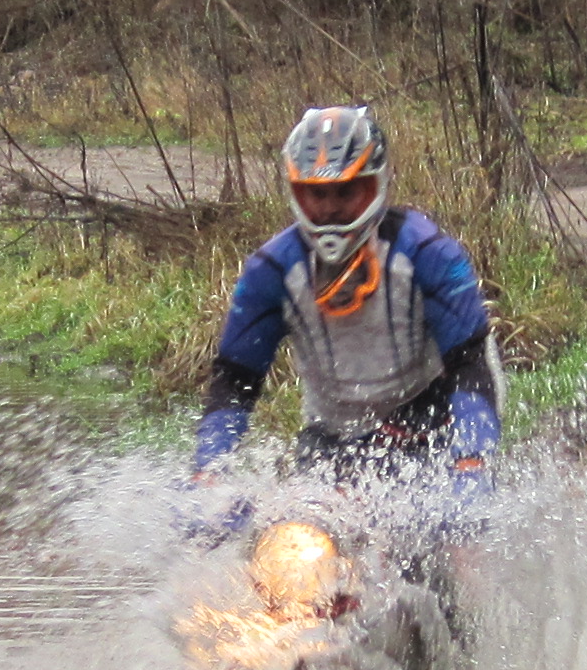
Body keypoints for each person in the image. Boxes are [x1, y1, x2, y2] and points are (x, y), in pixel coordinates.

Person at [189, 105, 502, 506]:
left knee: (457, 534)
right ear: (297, 191)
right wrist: (208, 474)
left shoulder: (430, 254)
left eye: (345, 192)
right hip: (332, 432)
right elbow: (235, 379)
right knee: (288, 541)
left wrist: (472, 461)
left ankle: (475, 563)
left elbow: (469, 365)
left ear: (374, 186)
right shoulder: (270, 271)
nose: (331, 208)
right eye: (317, 194)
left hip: (434, 417)